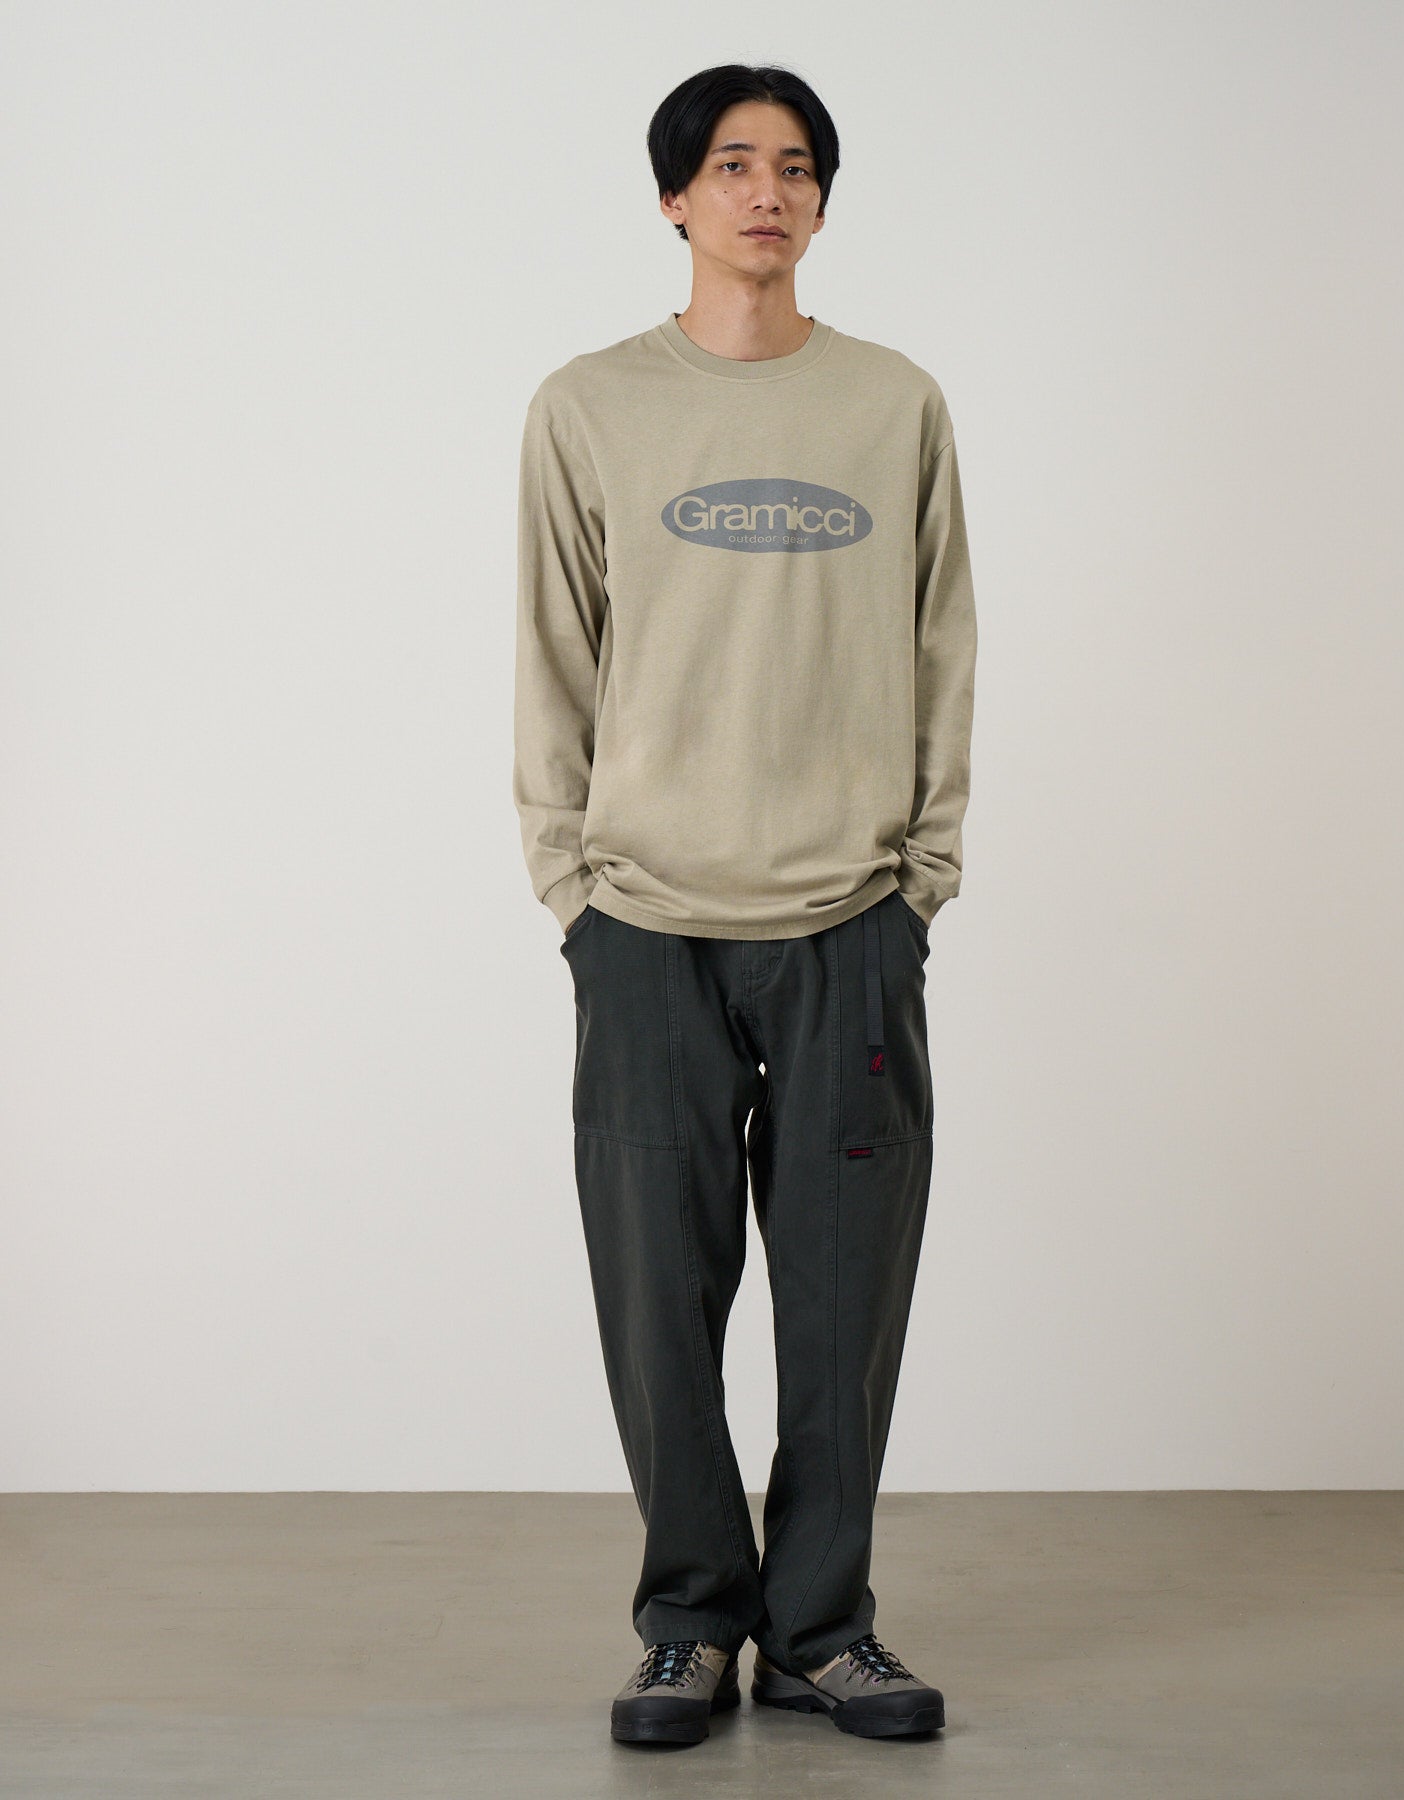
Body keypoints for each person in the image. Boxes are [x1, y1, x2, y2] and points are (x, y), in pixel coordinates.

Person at [512, 62, 977, 1748]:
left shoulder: (893, 404)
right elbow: (555, 652)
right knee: (660, 1304)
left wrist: (919, 881)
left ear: (821, 202)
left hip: (851, 919)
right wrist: (572, 885)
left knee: (844, 1309)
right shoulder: (590, 407)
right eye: (730, 165)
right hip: (645, 922)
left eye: (794, 167)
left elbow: (943, 644)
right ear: (675, 199)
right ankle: (691, 1624)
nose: (765, 192)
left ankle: (824, 1630)